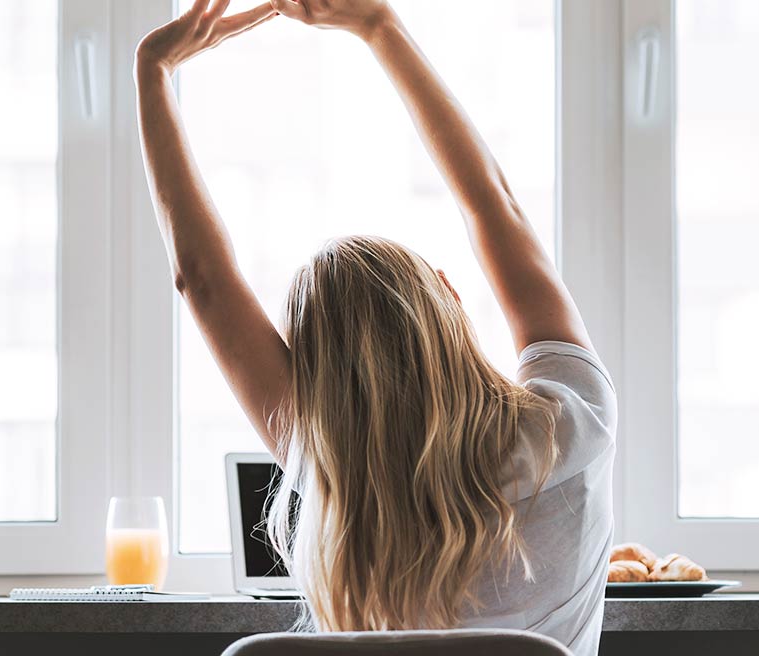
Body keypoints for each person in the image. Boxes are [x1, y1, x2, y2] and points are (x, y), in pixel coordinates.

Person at [133, 1, 616, 653]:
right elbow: (494, 207)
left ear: (311, 372)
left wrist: (154, 69)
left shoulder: (325, 463)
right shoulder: (573, 424)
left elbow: (203, 280)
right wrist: (380, 28)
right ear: (449, 294)